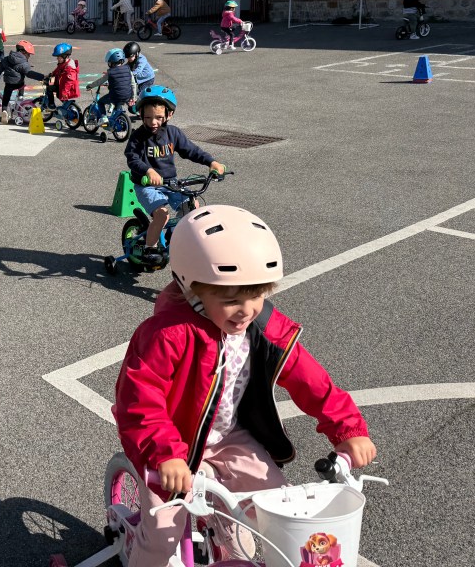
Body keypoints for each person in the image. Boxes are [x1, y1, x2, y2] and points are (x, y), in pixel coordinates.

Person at [114, 204, 376, 566]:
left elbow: (310, 378)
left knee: (274, 506)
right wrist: (166, 454)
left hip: (229, 437)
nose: (246, 309)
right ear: (192, 290)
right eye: (231, 300)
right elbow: (140, 401)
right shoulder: (167, 334)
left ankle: (224, 530)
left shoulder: (264, 326)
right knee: (162, 535)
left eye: (257, 295)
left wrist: (347, 428)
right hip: (171, 443)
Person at [124, 85, 225, 261]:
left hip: (171, 183)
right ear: (140, 114)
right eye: (148, 117)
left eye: (158, 117)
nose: (153, 122)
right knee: (162, 214)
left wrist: (211, 162)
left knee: (192, 207)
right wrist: (148, 171)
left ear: (169, 115)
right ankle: (149, 248)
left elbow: (191, 150)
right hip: (147, 186)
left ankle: (175, 236)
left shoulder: (173, 133)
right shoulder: (138, 136)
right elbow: (132, 158)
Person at [0, 40, 45, 124]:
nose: (29, 56)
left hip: (9, 84)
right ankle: (20, 97)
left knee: (6, 96)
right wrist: (42, 77)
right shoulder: (24, 63)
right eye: (28, 54)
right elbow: (29, 73)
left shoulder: (6, 59)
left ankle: (4, 110)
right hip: (19, 84)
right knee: (22, 85)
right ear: (23, 52)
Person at [86, 48, 134, 118]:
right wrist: (133, 97)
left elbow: (100, 81)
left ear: (112, 62)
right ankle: (117, 117)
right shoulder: (128, 69)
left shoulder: (110, 72)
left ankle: (104, 118)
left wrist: (90, 86)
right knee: (117, 105)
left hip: (116, 96)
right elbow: (132, 83)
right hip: (128, 95)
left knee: (100, 102)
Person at [44, 43, 79, 110]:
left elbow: (69, 82)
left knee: (50, 88)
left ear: (65, 56)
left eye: (59, 57)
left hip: (68, 89)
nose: (57, 58)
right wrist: (51, 74)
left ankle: (52, 105)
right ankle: (66, 107)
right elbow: (57, 69)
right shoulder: (63, 63)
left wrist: (65, 92)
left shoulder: (69, 68)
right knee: (59, 95)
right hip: (62, 85)